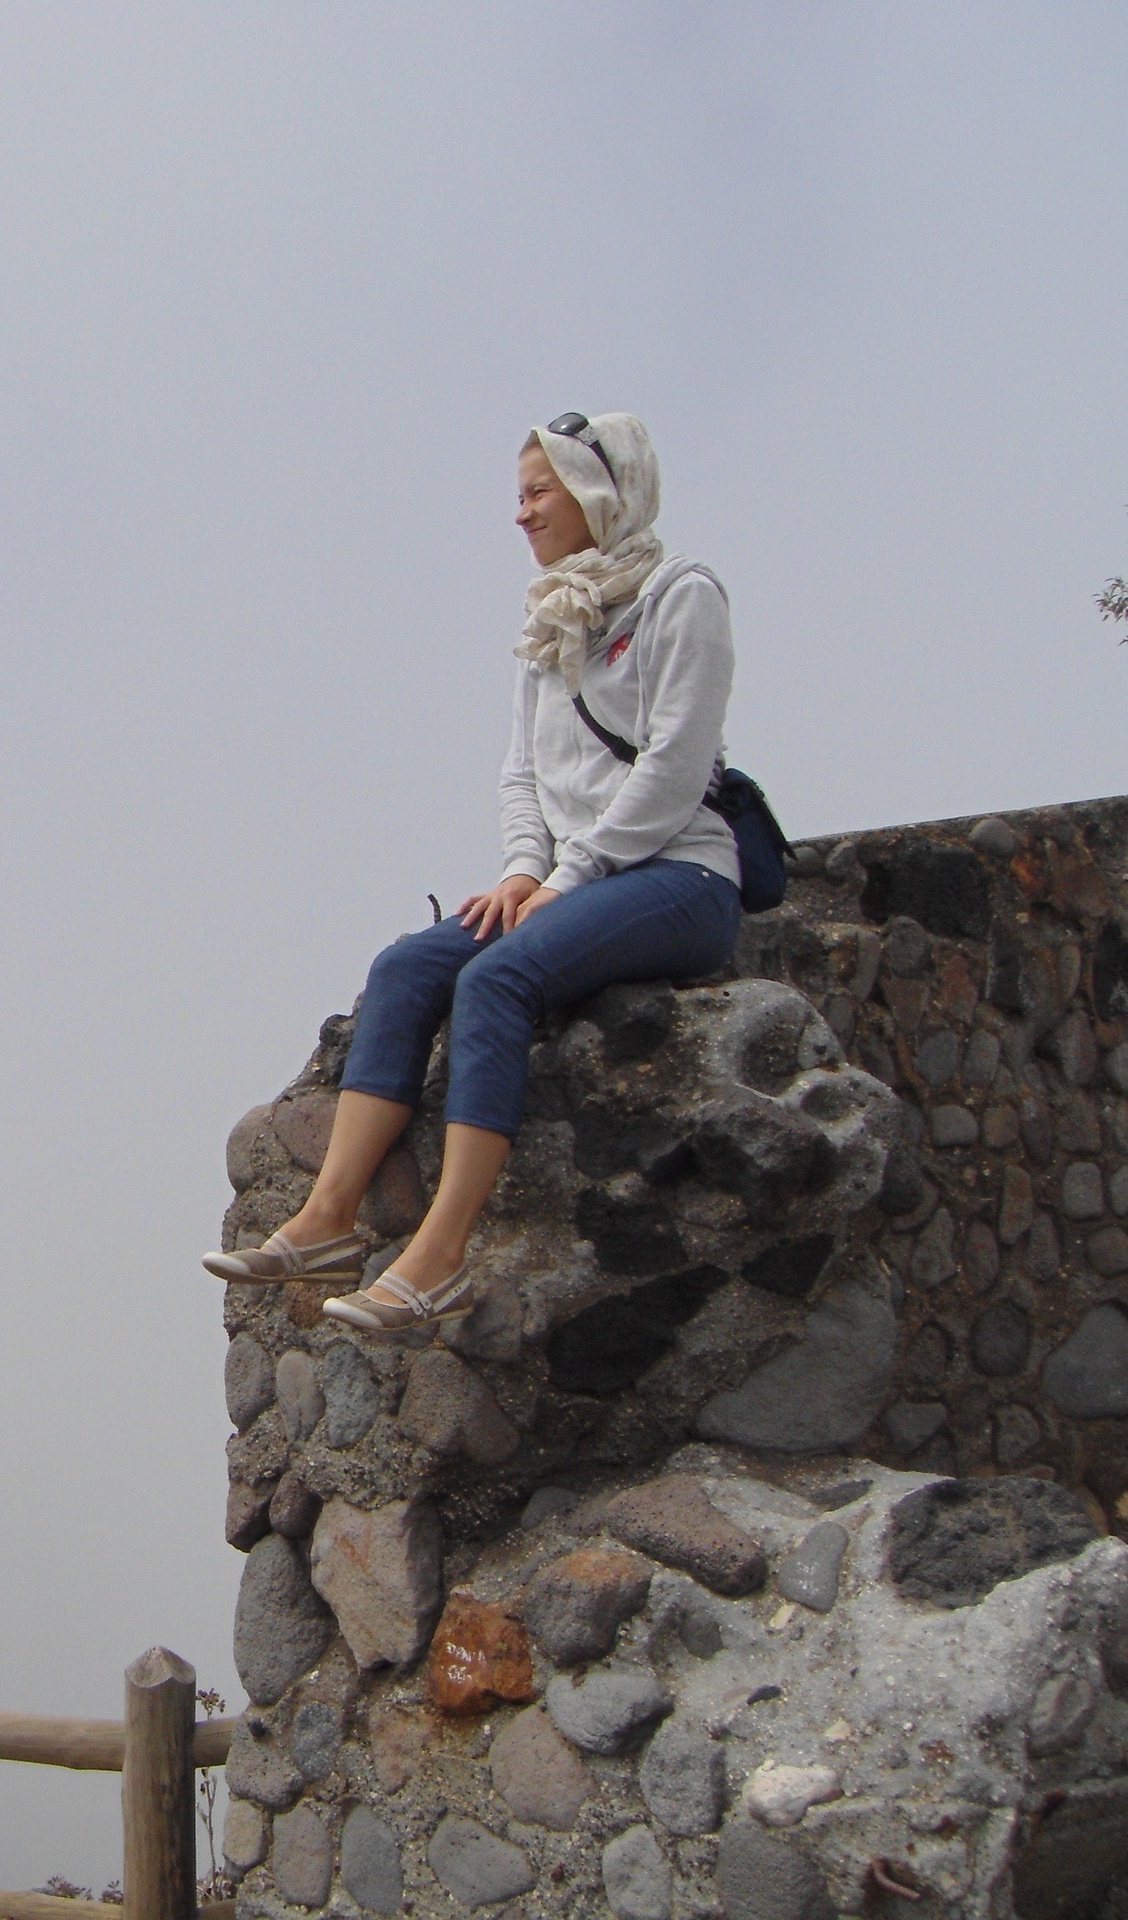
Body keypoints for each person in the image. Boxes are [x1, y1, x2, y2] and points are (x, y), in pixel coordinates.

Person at [203, 412, 744, 1332]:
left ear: (598, 493)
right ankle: (328, 1221)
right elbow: (523, 774)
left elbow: (674, 770)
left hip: (677, 877)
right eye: (519, 496)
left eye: (539, 493)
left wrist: (569, 878)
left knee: (497, 979)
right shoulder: (555, 614)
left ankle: (440, 1255)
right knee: (407, 966)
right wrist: (525, 869)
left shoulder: (680, 595)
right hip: (575, 877)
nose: (522, 514)